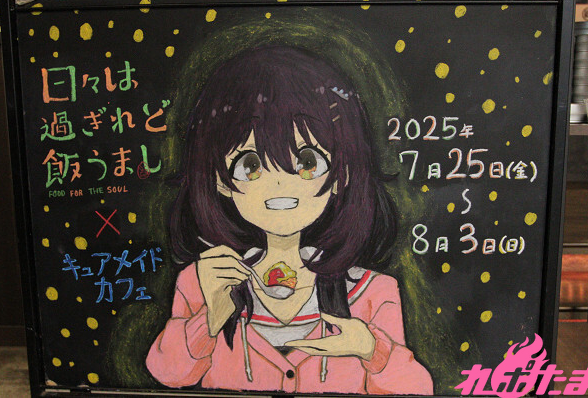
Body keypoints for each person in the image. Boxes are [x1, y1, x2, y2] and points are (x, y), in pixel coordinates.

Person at [146, 45, 433, 395]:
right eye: (250, 165)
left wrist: (372, 350)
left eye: (307, 162)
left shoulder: (371, 292)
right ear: (219, 178)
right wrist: (210, 318)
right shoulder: (205, 281)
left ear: (342, 173)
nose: (279, 185)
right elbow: (169, 374)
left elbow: (417, 390)